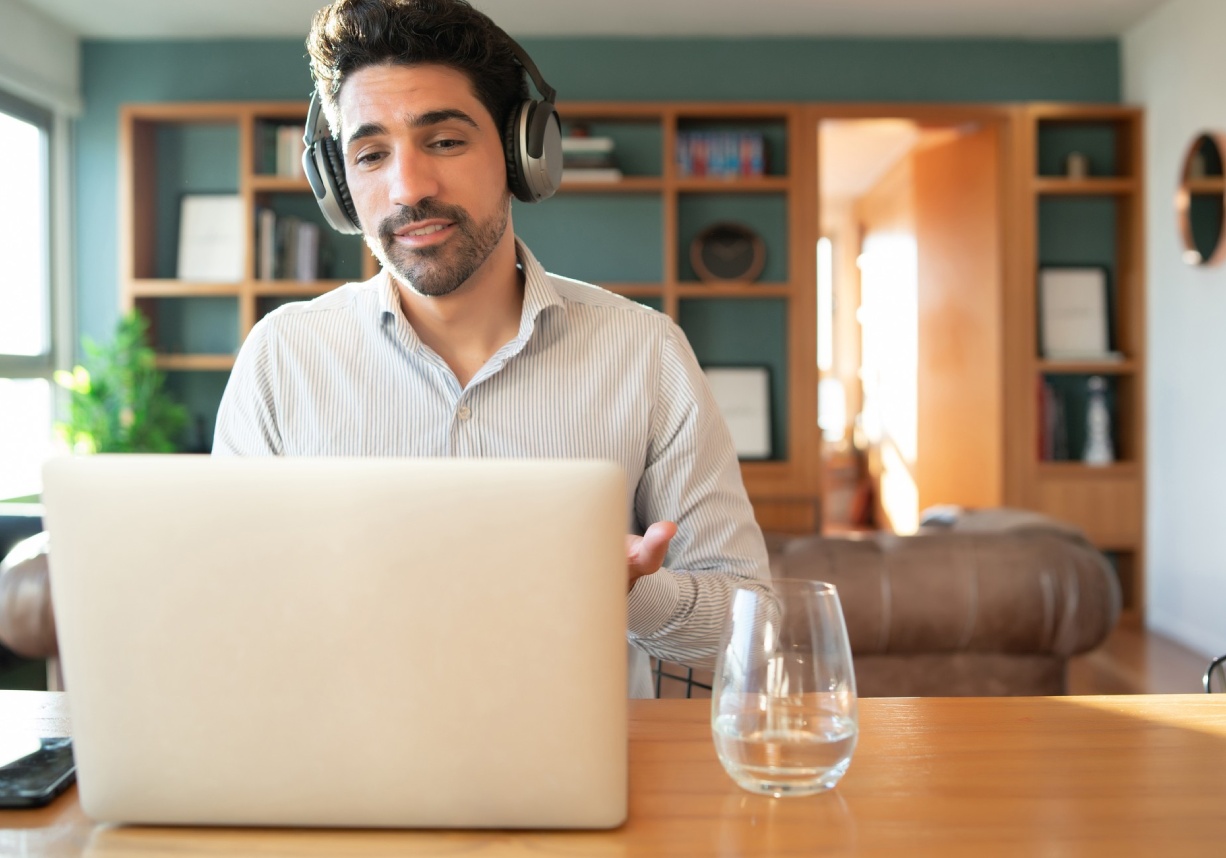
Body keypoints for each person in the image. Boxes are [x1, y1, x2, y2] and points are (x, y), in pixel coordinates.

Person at [213, 0, 772, 698]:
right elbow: (228, 618)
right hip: (343, 774)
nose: (409, 187)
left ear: (521, 154)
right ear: (338, 185)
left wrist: (625, 591)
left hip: (580, 778)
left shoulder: (645, 353)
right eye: (371, 154)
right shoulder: (281, 359)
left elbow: (752, 620)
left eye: (444, 141)